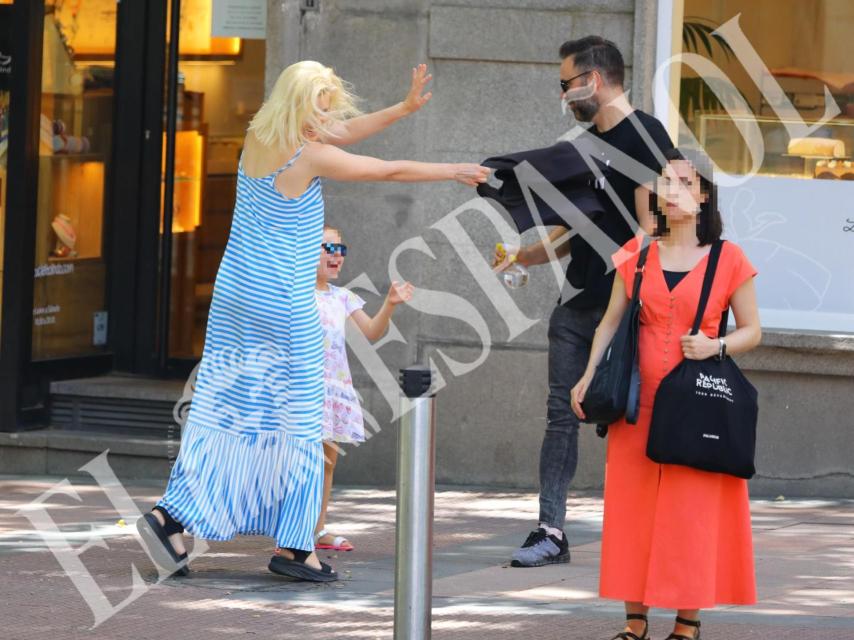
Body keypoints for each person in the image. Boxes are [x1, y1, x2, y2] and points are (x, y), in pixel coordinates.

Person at [136, 61, 489, 583]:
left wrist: (404, 108)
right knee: (305, 418)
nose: (328, 118)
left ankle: (171, 516)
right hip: (282, 301)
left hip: (235, 300)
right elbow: (383, 170)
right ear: (303, 107)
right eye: (321, 107)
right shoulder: (310, 154)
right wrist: (453, 169)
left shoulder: (259, 134)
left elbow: (343, 132)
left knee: (225, 409)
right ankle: (297, 547)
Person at [495, 36, 674, 568]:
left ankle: (653, 531)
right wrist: (524, 257)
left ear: (593, 81)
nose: (563, 93)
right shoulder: (582, 144)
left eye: (566, 83)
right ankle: (551, 530)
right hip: (577, 304)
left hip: (632, 310)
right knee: (560, 415)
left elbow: (662, 225)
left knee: (640, 417)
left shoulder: (648, 136)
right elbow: (580, 224)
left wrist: (635, 282)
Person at [571, 148, 761, 640]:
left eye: (681, 182)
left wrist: (716, 344)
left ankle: (687, 623)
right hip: (636, 404)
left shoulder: (729, 259)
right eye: (663, 181)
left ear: (702, 196)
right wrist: (588, 374)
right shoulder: (637, 252)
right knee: (633, 512)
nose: (669, 191)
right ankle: (635, 623)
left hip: (697, 405)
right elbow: (610, 321)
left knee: (690, 515)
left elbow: (754, 331)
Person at [311, 225, 414, 552]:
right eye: (328, 248)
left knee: (327, 462)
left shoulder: (342, 297)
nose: (336, 256)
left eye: (341, 250)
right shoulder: (294, 292)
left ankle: (316, 528)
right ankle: (292, 531)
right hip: (302, 389)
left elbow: (371, 331)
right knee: (301, 462)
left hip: (332, 390)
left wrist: (390, 304)